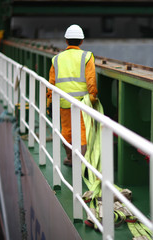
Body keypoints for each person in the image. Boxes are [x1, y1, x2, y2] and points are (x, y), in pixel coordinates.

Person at [46, 24, 98, 167]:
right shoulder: (87, 57)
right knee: (82, 130)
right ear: (81, 41)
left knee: (67, 130)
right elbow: (91, 80)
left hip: (63, 102)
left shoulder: (56, 59)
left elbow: (51, 83)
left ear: (66, 41)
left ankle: (70, 158)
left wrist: (49, 102)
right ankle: (81, 161)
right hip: (82, 102)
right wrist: (93, 97)